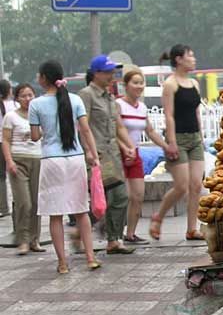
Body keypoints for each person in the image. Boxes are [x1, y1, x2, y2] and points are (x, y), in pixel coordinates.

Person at [28, 60, 101, 273]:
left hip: (52, 161)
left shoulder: (36, 104)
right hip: (75, 159)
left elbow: (34, 136)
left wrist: (44, 132)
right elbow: (85, 131)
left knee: (55, 214)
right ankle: (90, 258)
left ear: (43, 78)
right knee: (81, 211)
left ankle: (62, 264)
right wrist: (93, 155)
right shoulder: (75, 99)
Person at [79, 55, 136, 254]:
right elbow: (82, 125)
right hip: (98, 156)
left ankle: (114, 240)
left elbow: (117, 126)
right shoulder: (87, 95)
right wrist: (88, 150)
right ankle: (79, 231)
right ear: (96, 73)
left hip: (113, 155)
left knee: (120, 197)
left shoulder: (111, 97)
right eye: (108, 72)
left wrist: (129, 146)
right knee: (102, 200)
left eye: (113, 72)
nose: (112, 76)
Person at [149, 44, 205, 241]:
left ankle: (192, 228)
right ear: (179, 59)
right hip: (178, 139)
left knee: (197, 185)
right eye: (190, 55)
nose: (194, 59)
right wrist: (171, 142)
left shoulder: (194, 84)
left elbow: (196, 112)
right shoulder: (170, 84)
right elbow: (169, 115)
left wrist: (201, 136)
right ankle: (158, 216)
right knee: (182, 186)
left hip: (194, 139)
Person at [116, 69, 172, 244]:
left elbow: (150, 131)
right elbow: (116, 130)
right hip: (118, 154)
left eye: (141, 83)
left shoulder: (142, 107)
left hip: (136, 155)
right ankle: (114, 233)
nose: (139, 86)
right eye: (135, 82)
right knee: (119, 197)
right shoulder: (118, 105)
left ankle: (130, 234)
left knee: (138, 196)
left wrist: (165, 146)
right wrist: (125, 148)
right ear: (126, 86)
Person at [2, 84, 44, 255]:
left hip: (37, 160)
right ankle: (23, 240)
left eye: (30, 95)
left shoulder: (39, 115)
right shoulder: (10, 117)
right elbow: (5, 140)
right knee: (24, 203)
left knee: (36, 203)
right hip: (18, 161)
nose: (27, 99)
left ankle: (35, 239)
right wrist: (9, 161)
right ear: (17, 98)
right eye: (23, 96)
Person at [0, 79, 15, 217]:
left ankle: (3, 208)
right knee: (15, 174)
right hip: (14, 143)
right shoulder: (15, 105)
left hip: (1, 143)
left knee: (1, 177)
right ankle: (16, 203)